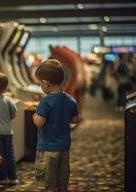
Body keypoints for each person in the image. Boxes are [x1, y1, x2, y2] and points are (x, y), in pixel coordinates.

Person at [32, 59, 80, 192]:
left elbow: (39, 122)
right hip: (64, 148)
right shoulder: (70, 100)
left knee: (49, 185)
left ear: (46, 84)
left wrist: (34, 116)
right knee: (62, 183)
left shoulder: (45, 102)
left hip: (47, 149)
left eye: (39, 83)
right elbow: (75, 120)